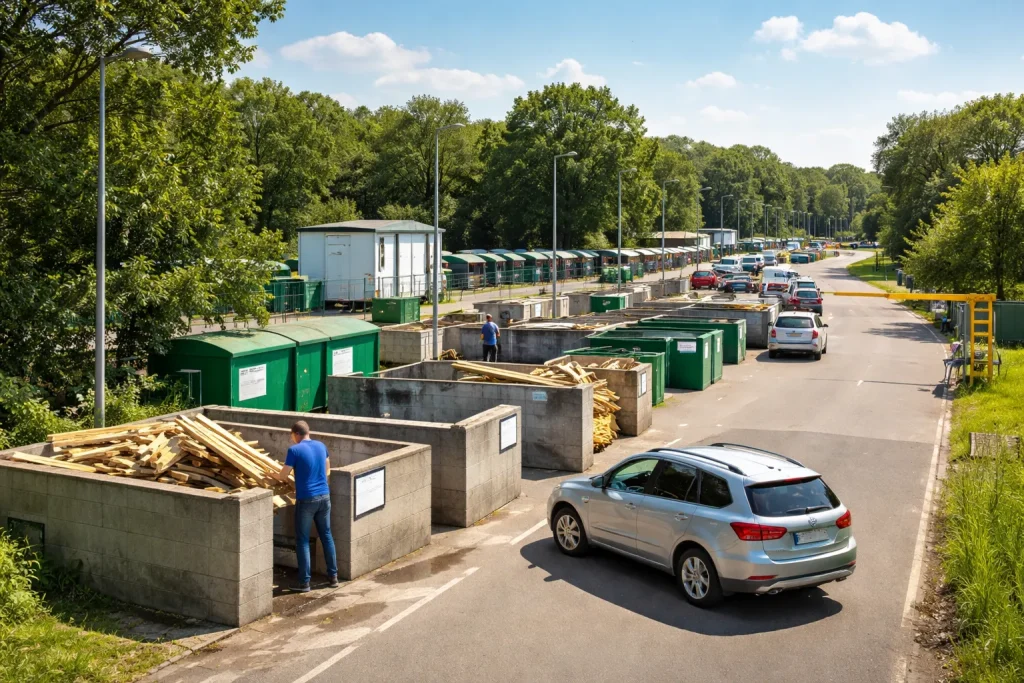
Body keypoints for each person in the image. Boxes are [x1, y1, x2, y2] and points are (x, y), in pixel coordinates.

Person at [279, 420, 338, 592]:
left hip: (306, 500)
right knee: (326, 535)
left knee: (302, 540)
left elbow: (283, 476)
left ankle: (304, 582)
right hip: (324, 496)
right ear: (308, 432)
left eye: (292, 436)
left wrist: (272, 474)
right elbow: (327, 469)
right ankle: (333, 577)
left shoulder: (294, 450)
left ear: (296, 434)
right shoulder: (321, 446)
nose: (292, 439)